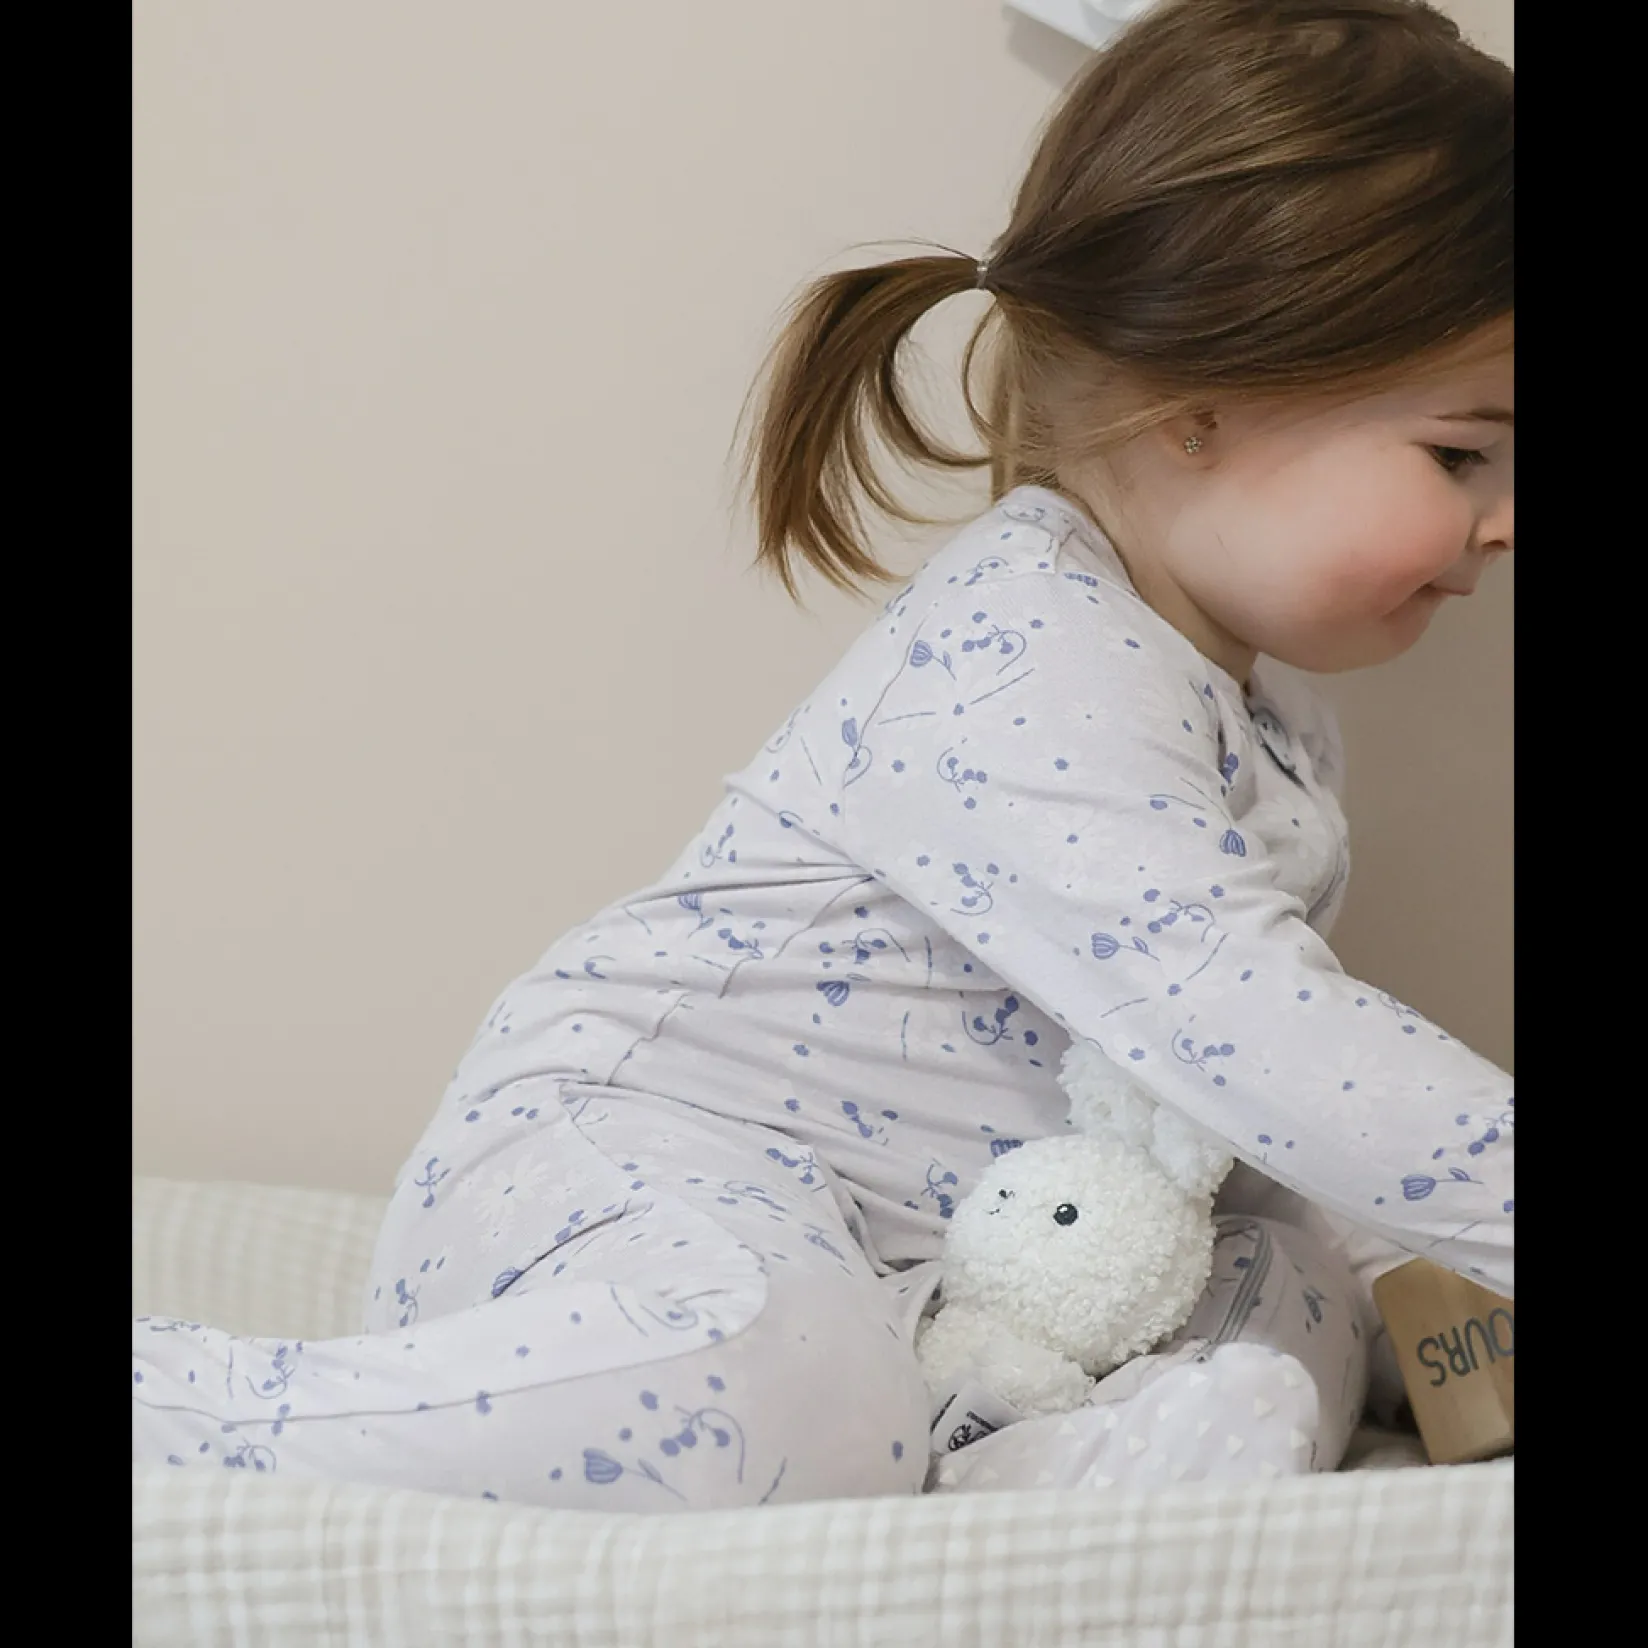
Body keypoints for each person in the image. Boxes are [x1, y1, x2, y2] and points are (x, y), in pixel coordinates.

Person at [133, 0, 1513, 1508]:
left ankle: (1023, 1473)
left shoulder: (1269, 717)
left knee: (1287, 1285)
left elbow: (1230, 1111)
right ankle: (187, 1415)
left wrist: (1426, 1308)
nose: (1501, 519)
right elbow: (1270, 1045)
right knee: (785, 1380)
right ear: (1200, 406)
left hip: (943, 1267)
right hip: (648, 1166)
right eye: (1463, 453)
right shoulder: (1028, 658)